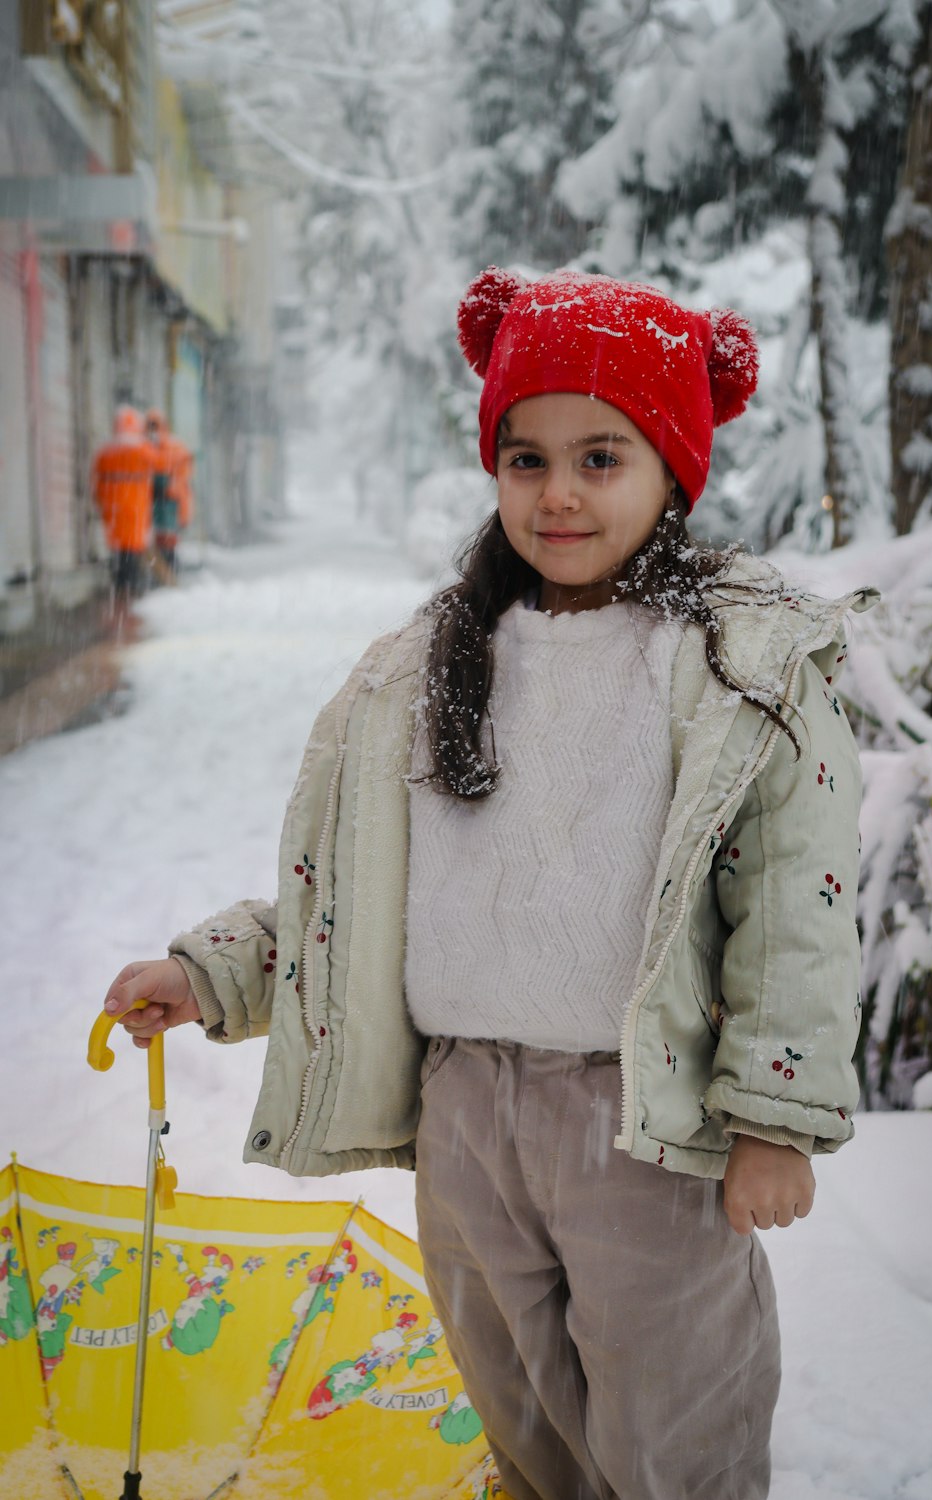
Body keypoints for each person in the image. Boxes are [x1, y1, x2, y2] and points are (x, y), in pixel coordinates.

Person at [103, 267, 875, 1500]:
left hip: (644, 1118)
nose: (557, 492)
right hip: (466, 1114)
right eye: (525, 458)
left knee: (668, 1417)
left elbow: (794, 908)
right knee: (519, 1416)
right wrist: (213, 974)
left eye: (599, 457)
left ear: (672, 468)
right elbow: (352, 893)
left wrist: (776, 1115)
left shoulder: (736, 666)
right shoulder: (431, 662)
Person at [91, 405, 155, 607]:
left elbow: (96, 482)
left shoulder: (105, 452)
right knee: (133, 550)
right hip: (136, 507)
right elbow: (162, 464)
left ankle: (120, 589)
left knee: (118, 551)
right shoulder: (143, 450)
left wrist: (102, 501)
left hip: (113, 510)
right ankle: (132, 591)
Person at [146, 409, 193, 581]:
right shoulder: (149, 448)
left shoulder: (174, 448)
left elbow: (182, 477)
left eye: (155, 426)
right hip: (159, 502)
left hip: (169, 503)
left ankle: (170, 575)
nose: (152, 432)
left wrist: (167, 487)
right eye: (150, 427)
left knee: (168, 541)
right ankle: (165, 576)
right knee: (160, 541)